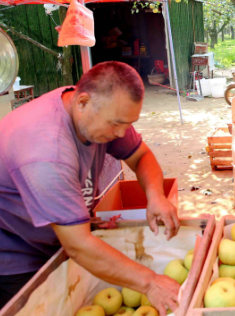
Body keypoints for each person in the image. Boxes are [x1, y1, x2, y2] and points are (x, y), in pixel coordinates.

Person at [0, 62, 180, 314]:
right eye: (115, 124)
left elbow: (141, 157)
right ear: (82, 102)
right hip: (15, 254)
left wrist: (156, 195)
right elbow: (78, 245)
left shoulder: (93, 109)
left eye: (128, 123)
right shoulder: (47, 152)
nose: (121, 134)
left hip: (59, 237)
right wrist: (150, 283)